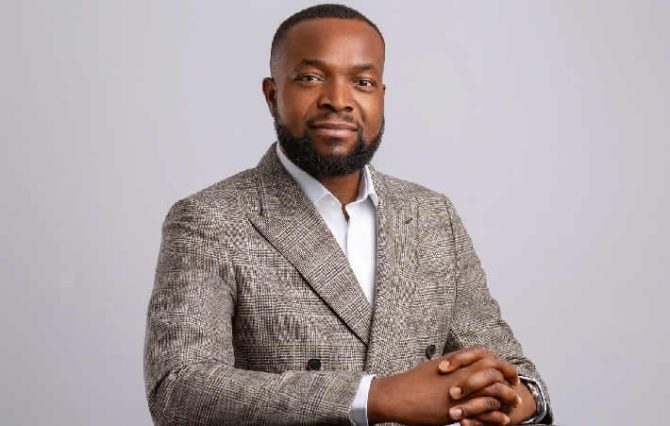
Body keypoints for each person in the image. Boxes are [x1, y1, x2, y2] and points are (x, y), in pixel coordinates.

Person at [143, 4, 554, 425]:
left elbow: (509, 366)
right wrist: (375, 397)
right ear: (271, 95)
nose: (338, 101)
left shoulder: (432, 215)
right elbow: (178, 388)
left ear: (381, 96)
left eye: (362, 82)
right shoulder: (210, 219)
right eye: (310, 78)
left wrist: (515, 400)